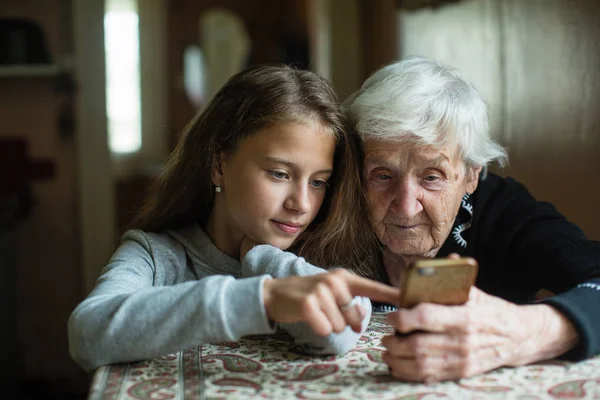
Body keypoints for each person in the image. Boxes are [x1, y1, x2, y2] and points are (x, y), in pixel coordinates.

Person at [68, 65, 399, 372]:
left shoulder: (320, 248)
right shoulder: (156, 255)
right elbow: (86, 335)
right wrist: (263, 300)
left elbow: (340, 332)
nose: (301, 204)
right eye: (280, 174)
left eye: (317, 182)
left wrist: (262, 259)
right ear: (219, 164)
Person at [342, 55, 600, 382]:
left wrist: (525, 333)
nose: (406, 207)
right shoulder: (333, 207)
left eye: (432, 177)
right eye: (382, 175)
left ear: (471, 175)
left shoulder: (502, 211)